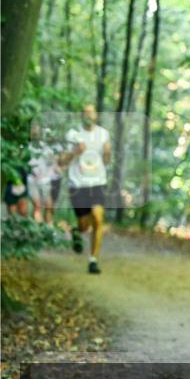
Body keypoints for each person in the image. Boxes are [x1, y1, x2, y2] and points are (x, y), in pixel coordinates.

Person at [63, 105, 111, 274]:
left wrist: (107, 153)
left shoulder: (103, 134)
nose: (89, 115)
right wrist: (76, 151)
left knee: (98, 218)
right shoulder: (73, 134)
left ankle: (93, 260)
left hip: (98, 182)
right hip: (78, 184)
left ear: (96, 116)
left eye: (92, 112)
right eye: (86, 113)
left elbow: (106, 161)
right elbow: (63, 161)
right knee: (84, 226)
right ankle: (77, 231)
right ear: (82, 116)